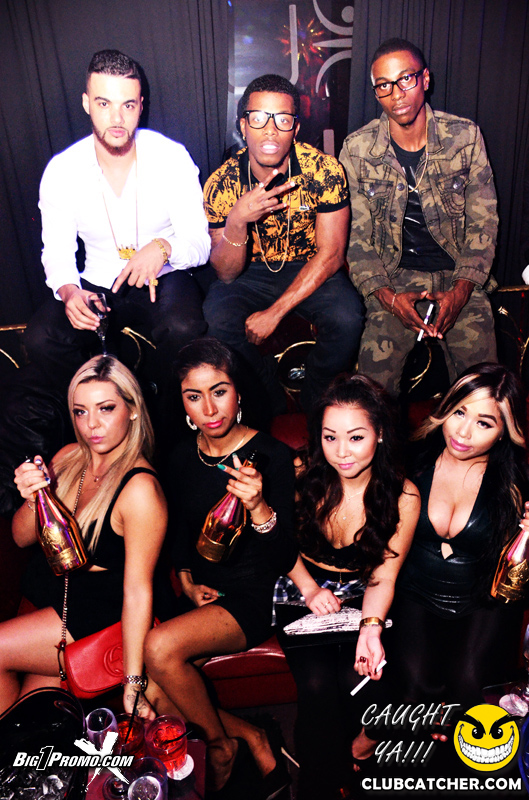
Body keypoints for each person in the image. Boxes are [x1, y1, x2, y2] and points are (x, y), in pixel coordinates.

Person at [143, 338, 299, 794]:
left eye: (219, 391)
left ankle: (219, 746)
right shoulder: (179, 456)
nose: (209, 409)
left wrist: (259, 506)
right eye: (194, 396)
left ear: (238, 392)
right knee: (148, 686)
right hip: (202, 592)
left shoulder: (272, 456)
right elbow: (178, 533)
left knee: (158, 648)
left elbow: (285, 556)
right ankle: (250, 735)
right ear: (183, 402)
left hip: (254, 595)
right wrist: (186, 580)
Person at [23, 49, 210, 393]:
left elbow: (200, 245)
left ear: (141, 106)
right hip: (96, 284)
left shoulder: (171, 156)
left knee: (183, 328)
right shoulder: (62, 170)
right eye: (104, 103)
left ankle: (165, 421)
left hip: (163, 278)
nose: (117, 118)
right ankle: (93, 413)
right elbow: (57, 253)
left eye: (128, 105)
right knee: (41, 338)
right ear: (86, 103)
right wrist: (69, 292)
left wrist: (163, 247)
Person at [274, 374, 420, 799]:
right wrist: (308, 588)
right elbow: (275, 543)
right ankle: (319, 784)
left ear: (380, 434)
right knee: (317, 685)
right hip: (301, 586)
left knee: (360, 679)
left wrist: (370, 629)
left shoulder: (403, 496)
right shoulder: (300, 474)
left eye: (356, 437)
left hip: (364, 593)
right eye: (330, 437)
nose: (341, 451)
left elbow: (383, 576)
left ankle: (357, 752)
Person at [1, 355, 167, 717]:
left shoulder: (140, 489)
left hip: (98, 610)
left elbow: (138, 591)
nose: (92, 424)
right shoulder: (68, 457)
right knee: (32, 720)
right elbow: (20, 538)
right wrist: (34, 498)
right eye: (80, 411)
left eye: (106, 408)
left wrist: (133, 682)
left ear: (133, 409)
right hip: (55, 594)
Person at [340, 38, 498, 396]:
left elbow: (484, 223)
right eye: (384, 85)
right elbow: (356, 240)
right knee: (370, 397)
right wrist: (387, 297)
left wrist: (461, 291)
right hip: (393, 280)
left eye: (406, 79)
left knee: (485, 393)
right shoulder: (358, 149)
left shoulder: (464, 137)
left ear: (425, 79)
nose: (396, 94)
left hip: (458, 275)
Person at [203, 74, 364, 414]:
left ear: (296, 127)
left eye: (283, 119)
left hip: (310, 263)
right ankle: (266, 392)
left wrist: (274, 313)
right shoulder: (222, 183)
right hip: (249, 271)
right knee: (216, 318)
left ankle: (316, 396)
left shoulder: (324, 171)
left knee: (347, 318)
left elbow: (332, 253)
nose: (270, 131)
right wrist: (237, 220)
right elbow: (226, 274)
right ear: (243, 125)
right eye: (259, 118)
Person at [392, 363, 529, 707]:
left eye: (484, 423)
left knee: (470, 686)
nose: (463, 433)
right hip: (415, 591)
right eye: (459, 412)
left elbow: (517, 576)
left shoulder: (516, 484)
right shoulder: (410, 460)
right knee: (413, 689)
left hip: (482, 599)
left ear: (504, 432)